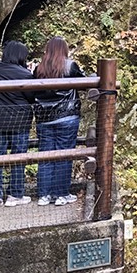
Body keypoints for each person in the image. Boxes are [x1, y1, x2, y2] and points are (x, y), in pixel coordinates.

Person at [33, 36, 85, 206]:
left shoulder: (39, 68)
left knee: (46, 156)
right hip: (66, 116)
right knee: (64, 154)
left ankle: (43, 195)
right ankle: (61, 194)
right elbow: (84, 82)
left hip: (44, 118)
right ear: (64, 49)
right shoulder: (70, 66)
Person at [0, 41, 35, 209]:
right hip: (20, 121)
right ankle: (15, 194)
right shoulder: (26, 75)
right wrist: (31, 73)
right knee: (18, 157)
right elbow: (31, 97)